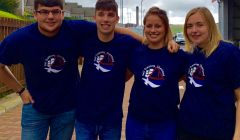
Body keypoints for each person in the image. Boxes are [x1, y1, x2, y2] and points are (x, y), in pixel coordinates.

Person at [0, 0, 97, 139]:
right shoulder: (21, 38)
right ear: (35, 14)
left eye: (55, 11)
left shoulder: (75, 30)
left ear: (62, 14)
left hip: (67, 109)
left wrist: (140, 39)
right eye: (44, 11)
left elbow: (107, 27)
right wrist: (20, 90)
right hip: (34, 108)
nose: (50, 16)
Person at [178, 7, 240, 140]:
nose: (194, 30)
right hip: (186, 130)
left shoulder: (229, 53)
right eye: (189, 26)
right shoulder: (190, 55)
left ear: (210, 26)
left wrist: (237, 134)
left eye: (200, 25)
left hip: (219, 132)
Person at [125, 7, 187, 140]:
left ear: (165, 28)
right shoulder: (136, 53)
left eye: (158, 26)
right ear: (144, 28)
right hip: (136, 121)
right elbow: (125, 76)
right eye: (149, 26)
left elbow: (184, 78)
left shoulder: (177, 56)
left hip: (166, 123)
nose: (153, 30)